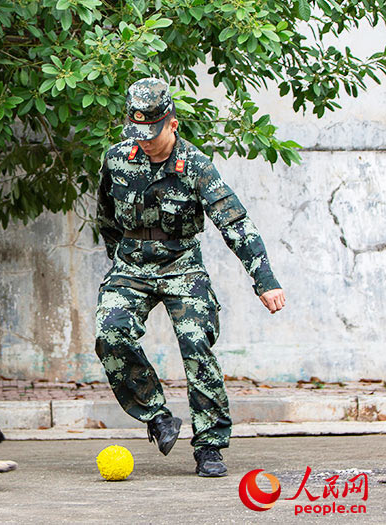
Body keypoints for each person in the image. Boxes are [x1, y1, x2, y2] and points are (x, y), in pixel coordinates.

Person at [94, 77, 286, 477]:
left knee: (197, 343)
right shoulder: (116, 158)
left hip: (182, 264)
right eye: (138, 132)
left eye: (153, 132)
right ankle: (157, 416)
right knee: (109, 333)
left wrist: (265, 280)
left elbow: (235, 223)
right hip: (131, 265)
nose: (144, 141)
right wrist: (120, 262)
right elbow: (106, 217)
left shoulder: (196, 166)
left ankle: (210, 446)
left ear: (172, 123)